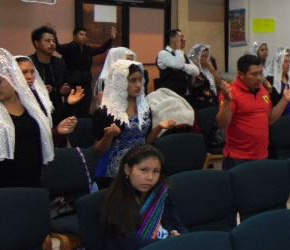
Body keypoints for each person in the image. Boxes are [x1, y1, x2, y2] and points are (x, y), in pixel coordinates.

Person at [0, 48, 55, 189]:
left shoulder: (31, 104)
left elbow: (38, 139)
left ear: (13, 78)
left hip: (32, 180)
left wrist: (58, 132)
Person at [93, 60, 176, 188]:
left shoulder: (144, 108)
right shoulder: (107, 112)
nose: (138, 85)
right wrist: (108, 135)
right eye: (132, 80)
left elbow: (145, 142)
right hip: (115, 171)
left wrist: (159, 127)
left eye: (140, 80)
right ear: (120, 82)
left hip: (142, 165)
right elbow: (99, 150)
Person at [98, 144, 185, 250]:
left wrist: (182, 238)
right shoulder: (115, 201)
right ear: (127, 169)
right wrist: (170, 243)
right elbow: (131, 244)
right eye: (143, 170)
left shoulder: (161, 194)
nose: (150, 177)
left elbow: (177, 225)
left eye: (156, 171)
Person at [217, 54, 290, 170]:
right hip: (238, 157)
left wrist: (285, 100)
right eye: (254, 74)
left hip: (261, 155)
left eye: (260, 73)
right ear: (241, 74)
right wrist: (227, 102)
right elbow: (222, 124)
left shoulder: (262, 90)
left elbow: (269, 119)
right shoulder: (231, 92)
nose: (259, 77)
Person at [15, 56, 79, 145]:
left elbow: (53, 120)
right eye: (24, 72)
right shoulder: (11, 98)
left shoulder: (37, 96)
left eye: (32, 72)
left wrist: (68, 104)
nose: (30, 76)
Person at [56, 25, 115, 117]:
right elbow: (58, 48)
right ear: (74, 36)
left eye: (85, 35)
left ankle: (84, 124)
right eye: (81, 34)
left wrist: (111, 39)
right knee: (72, 111)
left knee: (85, 110)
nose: (84, 37)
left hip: (86, 84)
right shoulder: (68, 48)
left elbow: (101, 49)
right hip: (72, 85)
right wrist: (54, 35)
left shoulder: (88, 49)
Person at [29, 25, 70, 125]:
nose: (52, 44)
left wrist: (64, 91)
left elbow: (66, 84)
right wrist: (39, 91)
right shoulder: (29, 63)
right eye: (47, 41)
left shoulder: (60, 63)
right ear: (37, 43)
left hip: (57, 110)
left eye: (54, 41)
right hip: (35, 112)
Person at [156, 29, 199, 98]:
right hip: (170, 96)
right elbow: (179, 65)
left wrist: (183, 66)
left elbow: (196, 71)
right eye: (180, 37)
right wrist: (178, 47)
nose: (183, 40)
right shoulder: (163, 54)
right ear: (172, 38)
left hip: (185, 95)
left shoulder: (181, 55)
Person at [187, 43, 223, 110]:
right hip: (199, 103)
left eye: (206, 57)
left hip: (213, 101)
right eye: (202, 56)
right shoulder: (191, 68)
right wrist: (196, 68)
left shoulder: (208, 69)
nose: (204, 59)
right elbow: (191, 85)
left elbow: (219, 83)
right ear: (197, 56)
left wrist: (212, 69)